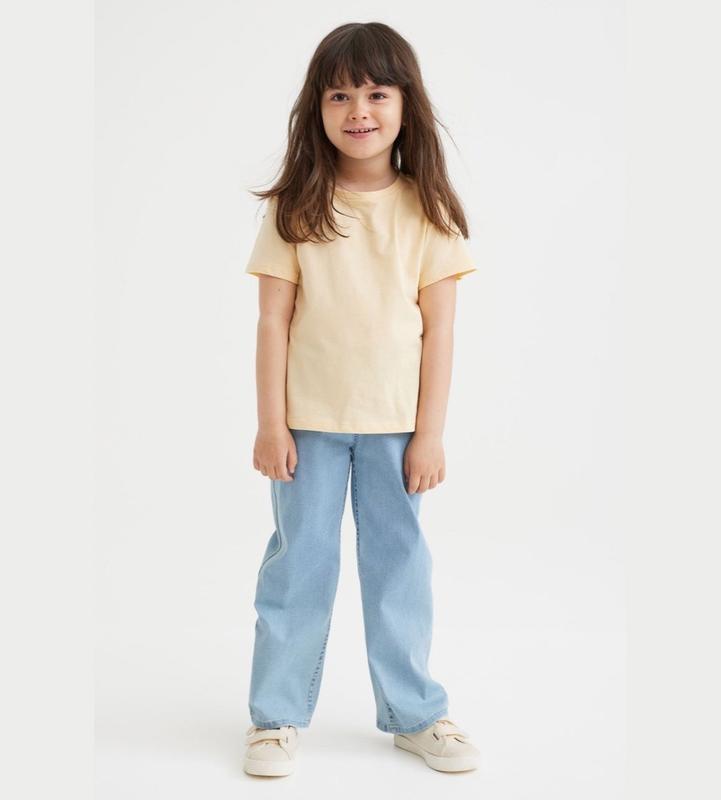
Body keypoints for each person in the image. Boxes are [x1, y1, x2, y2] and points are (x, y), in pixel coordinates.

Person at [242, 21, 481, 777]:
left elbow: (440, 332)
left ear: (406, 104)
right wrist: (271, 424)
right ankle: (275, 717)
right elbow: (272, 321)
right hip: (306, 427)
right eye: (339, 95)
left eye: (376, 93)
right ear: (316, 107)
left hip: (396, 430)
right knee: (299, 568)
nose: (358, 111)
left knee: (399, 570)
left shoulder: (428, 210)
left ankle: (415, 714)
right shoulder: (294, 207)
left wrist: (429, 434)